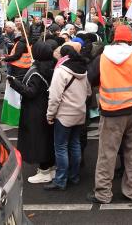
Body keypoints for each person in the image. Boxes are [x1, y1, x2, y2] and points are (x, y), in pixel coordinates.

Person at [87, 25, 132, 204]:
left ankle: (103, 194)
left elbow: (90, 78)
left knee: (107, 154)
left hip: (111, 112)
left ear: (113, 38)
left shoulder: (102, 58)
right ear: (130, 39)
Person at [9, 40, 58, 183]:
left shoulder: (37, 72)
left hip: (35, 111)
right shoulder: (52, 66)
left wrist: (14, 83)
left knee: (38, 140)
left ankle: (44, 171)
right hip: (47, 108)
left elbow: (30, 92)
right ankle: (50, 167)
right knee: (47, 139)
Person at [45, 42, 90, 190]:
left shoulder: (60, 71)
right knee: (75, 144)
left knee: (61, 147)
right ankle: (74, 176)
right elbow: (89, 92)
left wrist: (50, 114)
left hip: (64, 114)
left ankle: (60, 180)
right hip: (80, 112)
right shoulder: (83, 69)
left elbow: (54, 97)